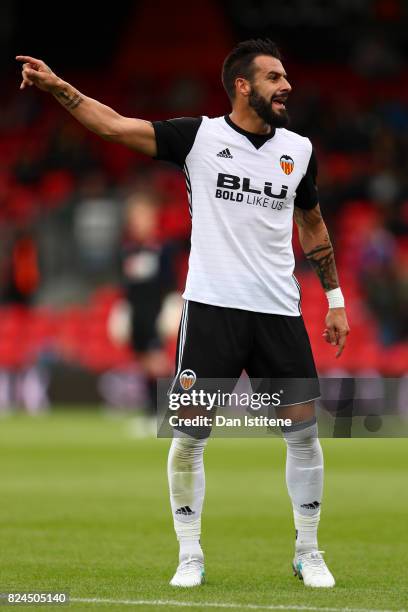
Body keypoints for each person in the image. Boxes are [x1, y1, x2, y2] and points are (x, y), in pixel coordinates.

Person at [17, 38, 350, 589]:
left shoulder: (299, 150)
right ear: (242, 86)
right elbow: (114, 126)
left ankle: (308, 550)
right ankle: (190, 553)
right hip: (211, 309)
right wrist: (59, 88)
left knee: (304, 437)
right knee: (191, 438)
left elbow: (312, 223)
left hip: (277, 311)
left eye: (285, 76)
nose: (285, 85)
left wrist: (335, 299)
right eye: (273, 77)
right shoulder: (198, 137)